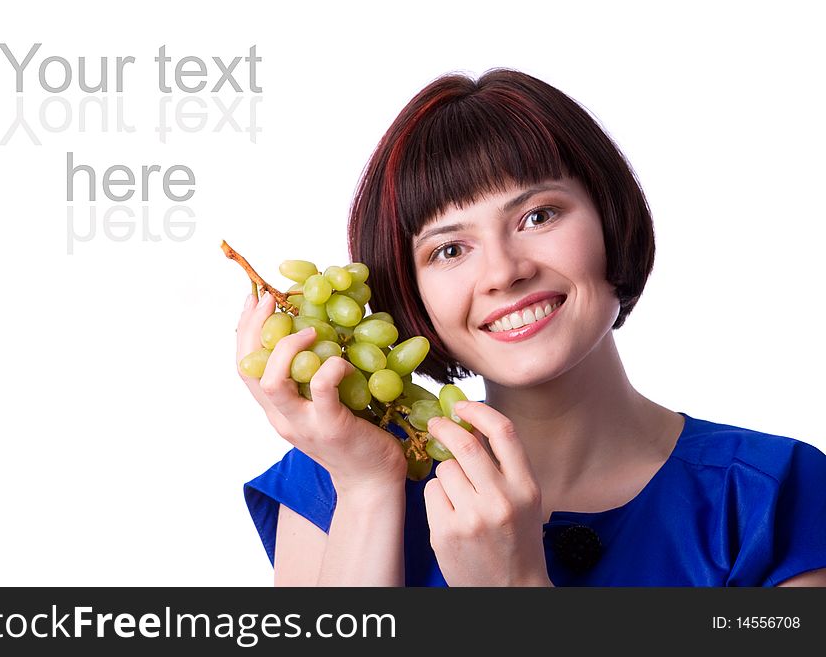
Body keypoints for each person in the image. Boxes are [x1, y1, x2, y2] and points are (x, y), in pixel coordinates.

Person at [237, 68, 826, 586]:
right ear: (409, 291)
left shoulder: (770, 495)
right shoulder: (341, 478)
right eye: (448, 250)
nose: (502, 272)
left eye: (537, 216)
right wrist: (367, 491)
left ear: (608, 216)